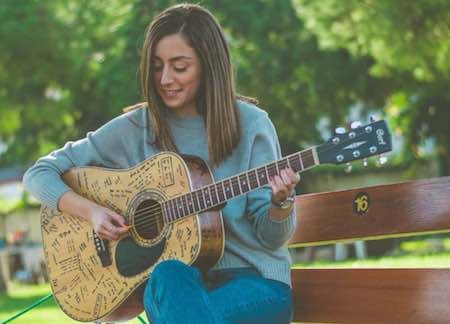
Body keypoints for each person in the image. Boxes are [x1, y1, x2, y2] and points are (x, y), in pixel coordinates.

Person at [23, 3, 300, 324]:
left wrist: (281, 204)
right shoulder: (138, 127)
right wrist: (92, 212)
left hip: (255, 284)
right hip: (177, 288)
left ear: (209, 65)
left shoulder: (252, 123)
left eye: (179, 66)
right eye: (156, 66)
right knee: (167, 275)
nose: (165, 78)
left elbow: (270, 238)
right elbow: (38, 174)